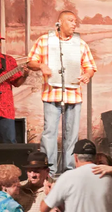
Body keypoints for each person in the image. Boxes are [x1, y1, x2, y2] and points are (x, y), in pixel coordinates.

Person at [27, 11, 97, 174]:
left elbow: (90, 66)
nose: (74, 24)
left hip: (73, 95)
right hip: (52, 93)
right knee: (49, 133)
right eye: (70, 21)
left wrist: (87, 74)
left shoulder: (80, 43)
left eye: (75, 21)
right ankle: (49, 171)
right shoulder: (45, 41)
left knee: (71, 135)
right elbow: (31, 61)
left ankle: (69, 170)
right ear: (59, 23)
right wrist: (41, 66)